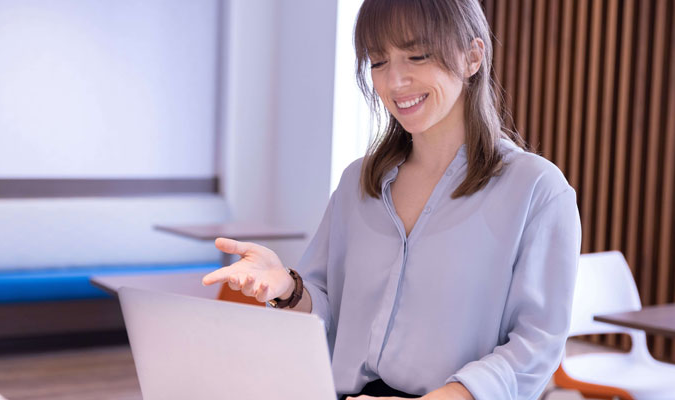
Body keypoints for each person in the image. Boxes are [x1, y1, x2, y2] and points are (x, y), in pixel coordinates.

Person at [202, 0, 581, 398]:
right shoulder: (358, 182)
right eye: (379, 61)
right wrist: (287, 288)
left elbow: (537, 344)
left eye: (417, 55)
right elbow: (327, 313)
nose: (395, 82)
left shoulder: (536, 189)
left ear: (472, 57)